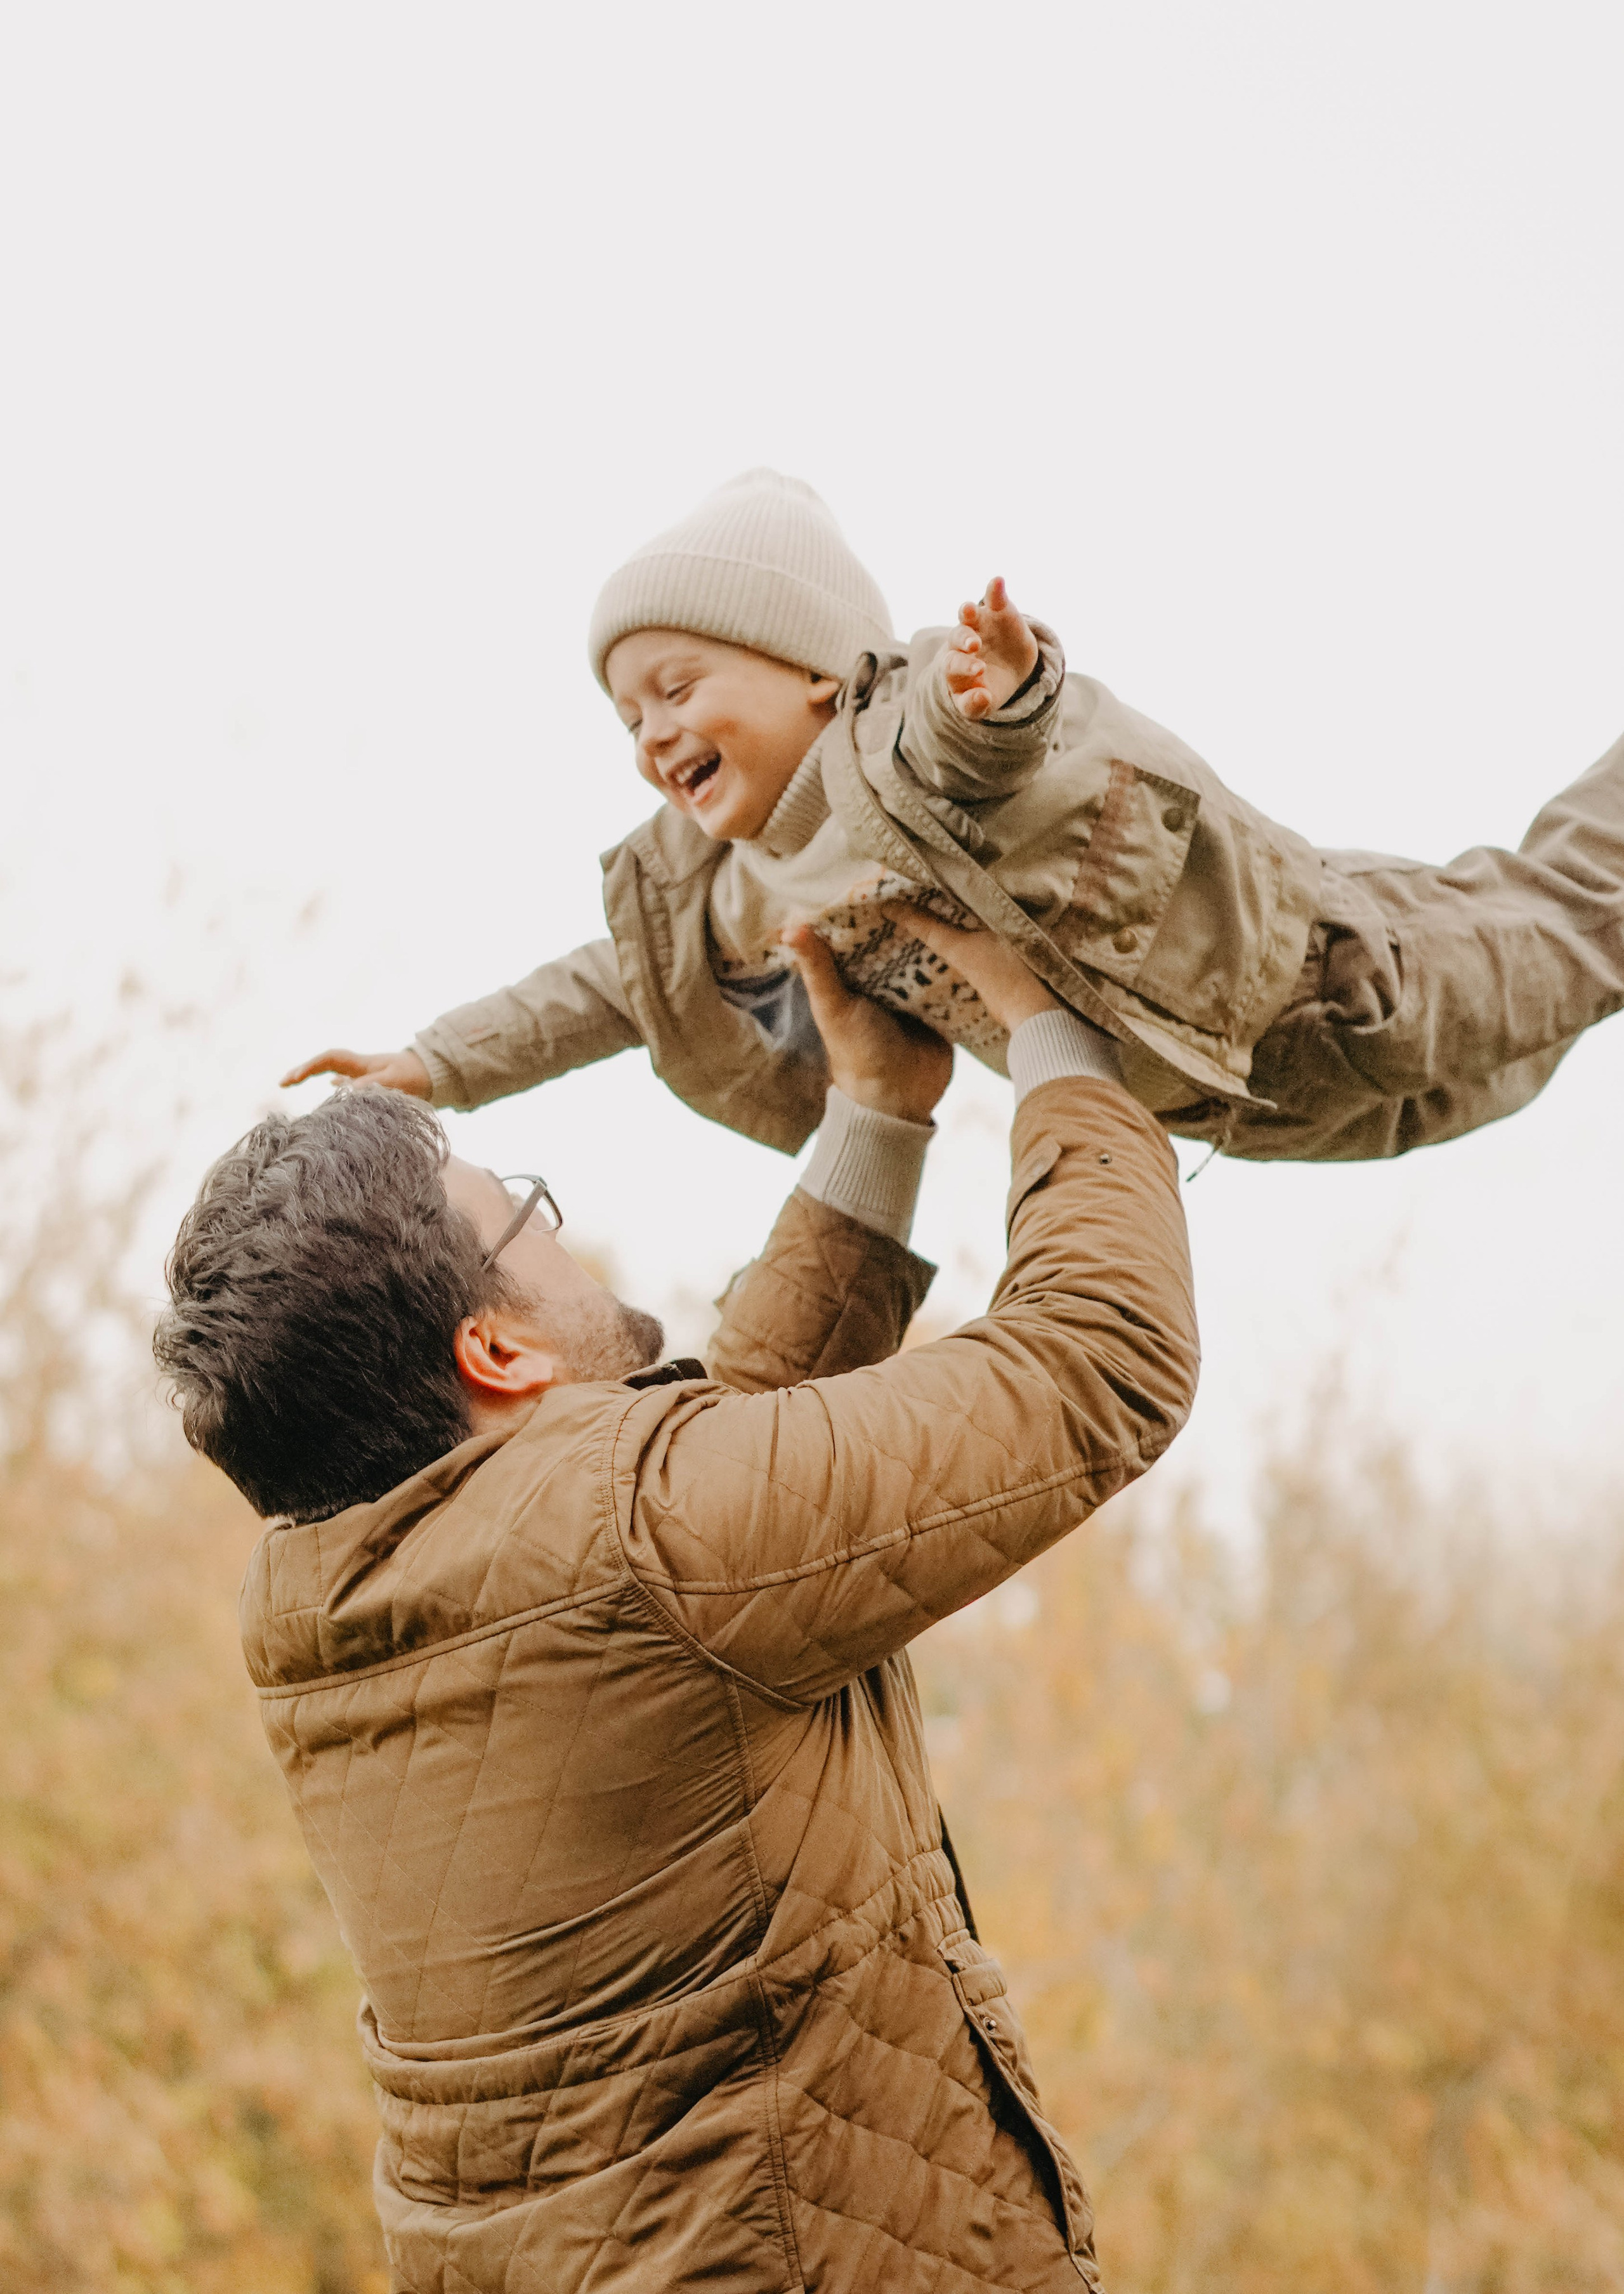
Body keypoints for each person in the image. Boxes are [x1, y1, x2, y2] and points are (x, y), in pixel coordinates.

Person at [157, 912, 1198, 2293]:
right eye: (520, 1214)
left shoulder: (328, 1598)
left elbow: (695, 1509)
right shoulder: (636, 1540)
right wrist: (1054, 1031)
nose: (554, 1228)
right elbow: (1101, 1353)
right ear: (493, 1344)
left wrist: (876, 1118)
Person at [283, 468, 1624, 1165]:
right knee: (1519, 1059)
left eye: (677, 686)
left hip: (1334, 977)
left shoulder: (890, 738)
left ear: (811, 667)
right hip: (1237, 1103)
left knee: (1574, 921)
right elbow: (601, 989)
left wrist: (1001, 691)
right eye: (628, 716)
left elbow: (969, 741)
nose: (652, 735)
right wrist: (432, 1062)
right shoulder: (745, 882)